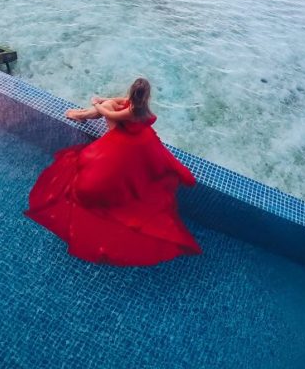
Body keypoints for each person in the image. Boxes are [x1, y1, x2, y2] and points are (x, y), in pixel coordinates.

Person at [25, 78, 202, 266]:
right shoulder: (142, 106)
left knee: (106, 108)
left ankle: (79, 114)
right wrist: (104, 98)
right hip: (142, 137)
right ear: (146, 96)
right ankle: (81, 114)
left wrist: (97, 104)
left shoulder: (132, 111)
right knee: (111, 103)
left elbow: (108, 113)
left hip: (124, 137)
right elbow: (121, 101)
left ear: (133, 92)